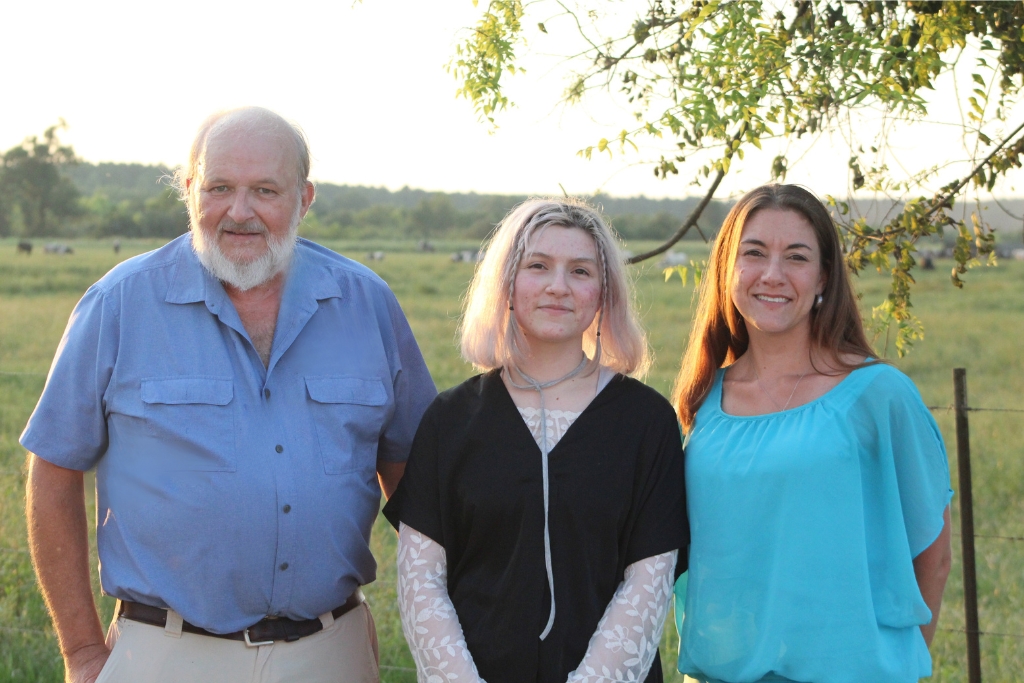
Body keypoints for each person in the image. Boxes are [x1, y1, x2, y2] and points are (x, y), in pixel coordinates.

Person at [22, 107, 436, 683]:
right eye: (219, 188)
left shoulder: (367, 304)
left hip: (329, 653)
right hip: (164, 653)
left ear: (305, 198)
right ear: (191, 190)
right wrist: (82, 652)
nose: (239, 212)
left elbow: (415, 477)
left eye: (265, 190)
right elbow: (53, 470)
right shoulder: (119, 303)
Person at [382, 198, 688, 683]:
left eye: (581, 271)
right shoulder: (451, 419)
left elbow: (649, 581)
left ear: (604, 293)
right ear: (506, 284)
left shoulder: (647, 421)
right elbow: (421, 579)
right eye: (538, 266)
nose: (558, 287)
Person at [672, 184, 953, 683]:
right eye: (754, 253)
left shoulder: (879, 395)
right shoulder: (705, 399)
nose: (773, 275)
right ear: (727, 269)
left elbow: (932, 556)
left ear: (823, 276)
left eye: (796, 257)